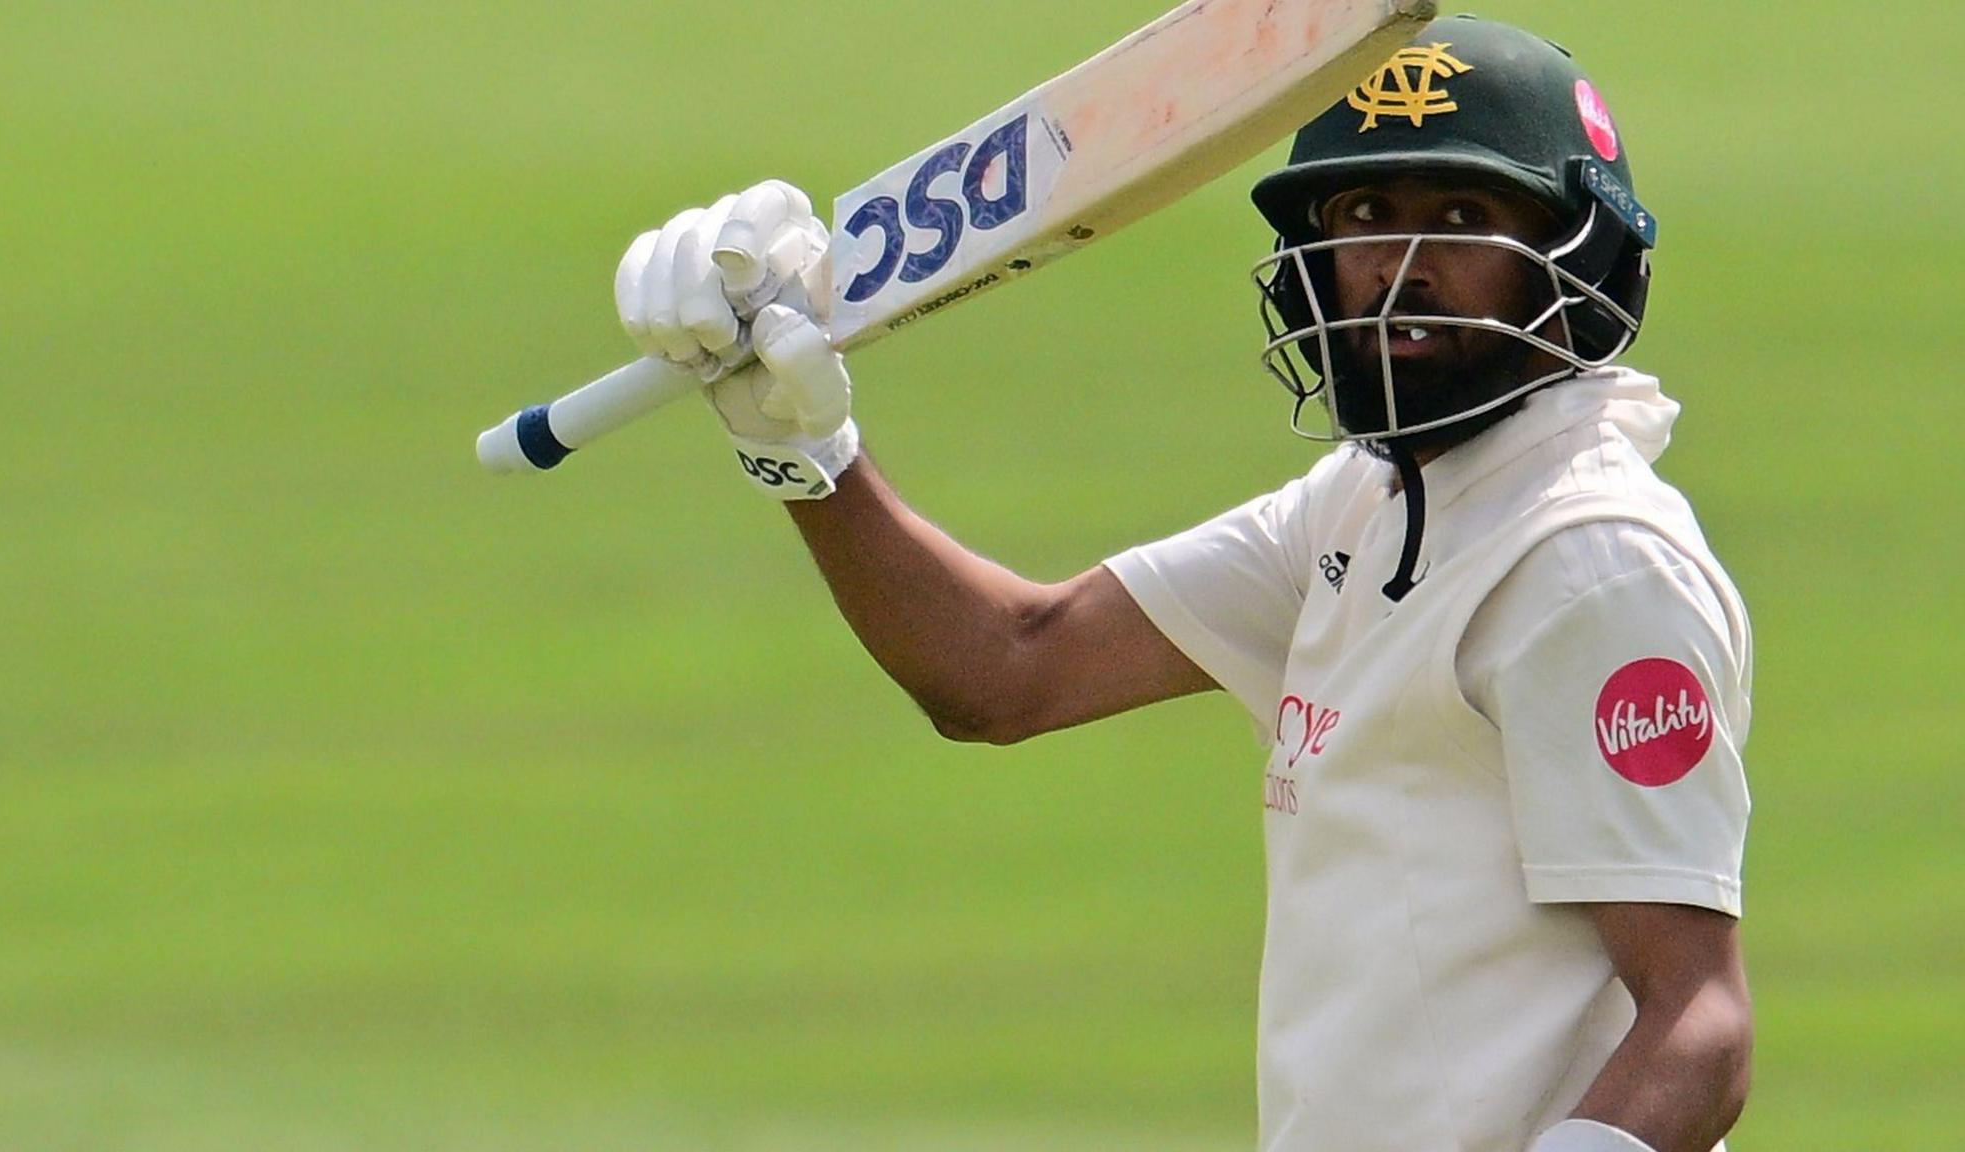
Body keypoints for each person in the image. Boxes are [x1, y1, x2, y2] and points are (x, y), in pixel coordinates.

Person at [611, 16, 1752, 1152]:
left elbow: (1697, 1026)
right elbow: (1006, 670)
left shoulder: (1589, 566)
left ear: (1577, 254)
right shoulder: (1365, 501)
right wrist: (806, 457)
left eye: (1461, 218)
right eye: (1365, 217)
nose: (1402, 270)